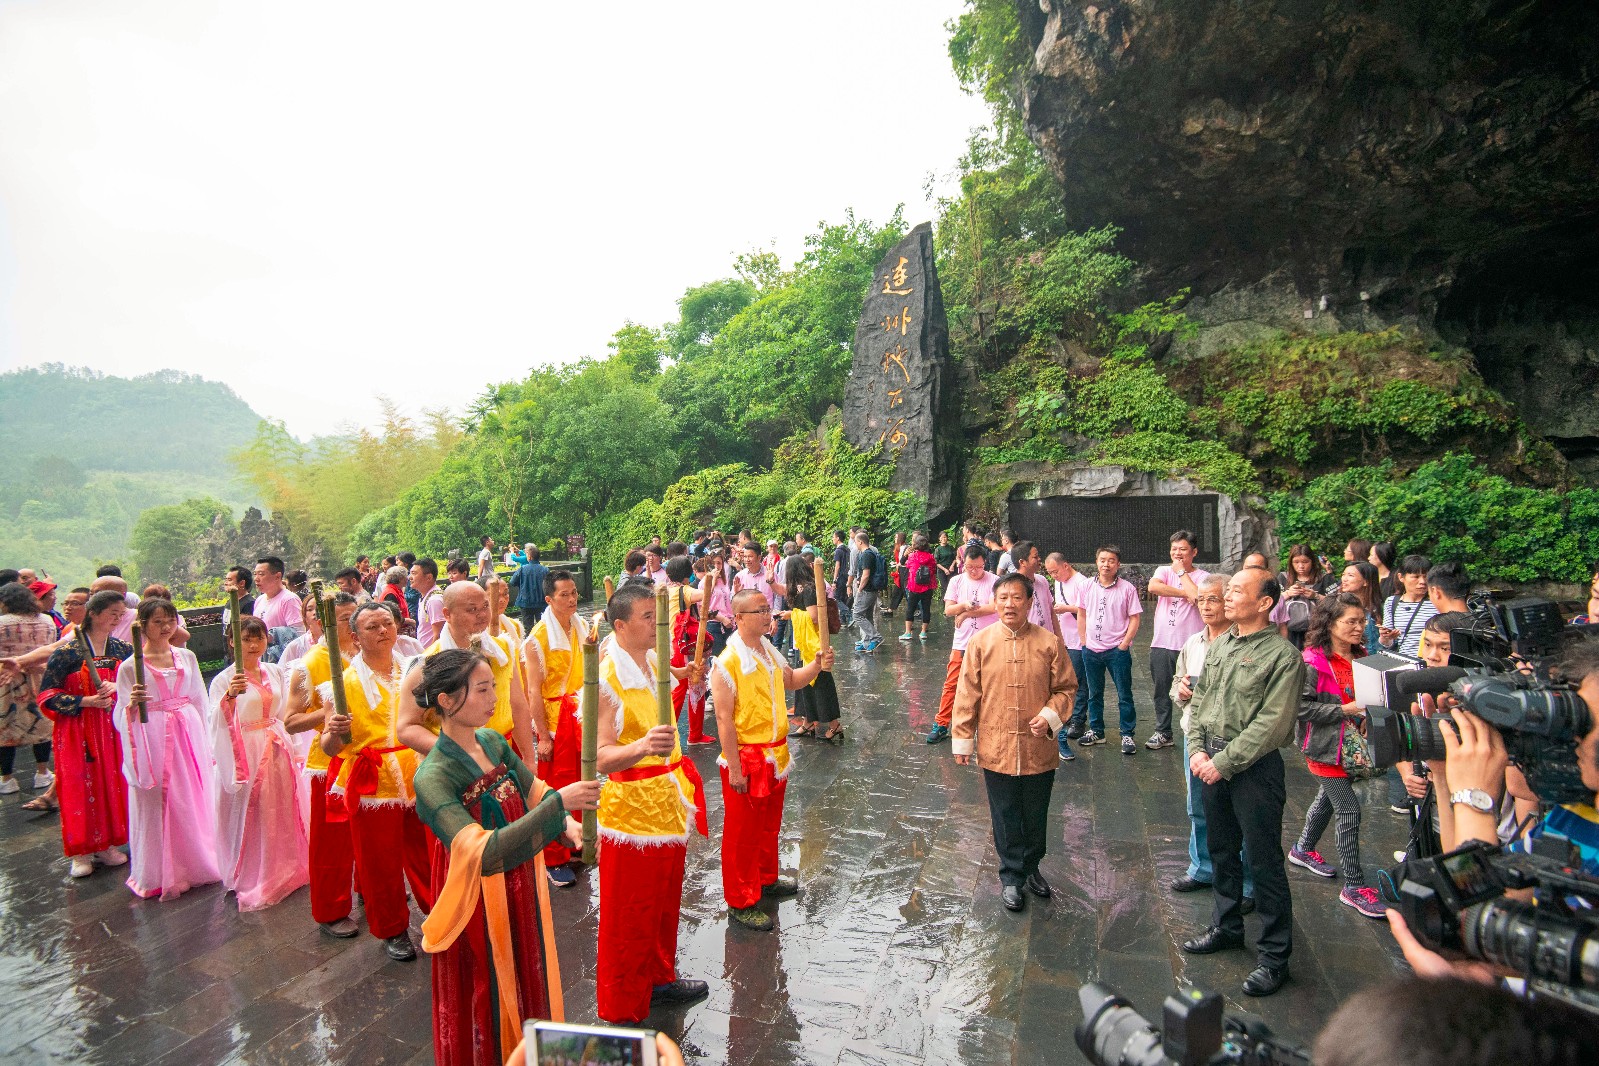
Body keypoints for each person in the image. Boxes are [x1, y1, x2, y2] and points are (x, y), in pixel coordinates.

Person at [413, 650, 597, 1066]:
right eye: (482, 689)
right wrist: (557, 809)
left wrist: (572, 829)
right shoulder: (433, 776)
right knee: (488, 988)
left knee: (529, 968)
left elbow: (535, 792)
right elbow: (482, 852)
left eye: (493, 686)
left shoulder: (493, 741)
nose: (494, 697)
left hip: (522, 883)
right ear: (445, 700)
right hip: (477, 900)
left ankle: (531, 1054)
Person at [1181, 569, 1302, 996]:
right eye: (1226, 590)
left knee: (1265, 860)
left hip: (1253, 769)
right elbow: (1200, 702)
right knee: (1221, 851)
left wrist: (1223, 761)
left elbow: (1273, 724)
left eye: (1236, 592)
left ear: (1265, 602)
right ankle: (1227, 926)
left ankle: (1274, 956)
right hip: (1209, 759)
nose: (1226, 598)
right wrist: (1196, 749)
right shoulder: (1220, 645)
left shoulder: (1283, 657)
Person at [593, 584, 711, 1022]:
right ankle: (622, 1007)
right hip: (631, 813)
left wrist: (687, 675)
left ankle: (659, 979)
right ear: (620, 625)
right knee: (630, 914)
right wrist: (642, 745)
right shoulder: (604, 682)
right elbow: (600, 757)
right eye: (647, 617)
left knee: (663, 903)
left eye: (657, 616)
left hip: (669, 801)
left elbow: (673, 677)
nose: (657, 625)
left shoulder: (654, 660)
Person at [951, 573, 1077, 912]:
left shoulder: (1049, 643)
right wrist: (963, 737)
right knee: (1004, 812)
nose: (1009, 604)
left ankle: (1032, 866)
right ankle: (1010, 877)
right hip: (996, 746)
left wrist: (1051, 716)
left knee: (1035, 812)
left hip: (1038, 747)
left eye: (1017, 597)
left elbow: (1066, 688)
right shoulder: (981, 643)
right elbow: (967, 693)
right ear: (995, 602)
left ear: (1030, 601)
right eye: (1003, 597)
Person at [709, 588, 834, 930]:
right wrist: (735, 766)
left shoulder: (766, 649)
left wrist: (817, 665)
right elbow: (723, 719)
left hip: (775, 755)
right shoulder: (728, 661)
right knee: (742, 833)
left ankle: (765, 879)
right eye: (758, 611)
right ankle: (740, 899)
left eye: (767, 609)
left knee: (768, 827)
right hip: (748, 758)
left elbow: (792, 679)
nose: (767, 615)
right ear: (739, 618)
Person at [321, 601, 438, 960]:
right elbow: (329, 748)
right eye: (372, 627)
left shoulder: (416, 672)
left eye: (388, 623)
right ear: (355, 638)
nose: (383, 631)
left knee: (428, 852)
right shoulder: (340, 685)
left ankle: (439, 914)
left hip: (417, 771)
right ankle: (393, 929)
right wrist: (335, 732)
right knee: (379, 862)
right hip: (373, 780)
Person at [1287, 594, 1386, 918]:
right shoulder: (1312, 661)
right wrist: (1344, 710)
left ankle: (1302, 849)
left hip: (1350, 744)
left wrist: (1367, 718)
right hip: (1324, 747)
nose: (1360, 628)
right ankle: (1354, 887)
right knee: (1349, 810)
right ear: (1330, 624)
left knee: (1327, 800)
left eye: (1362, 621)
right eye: (1351, 622)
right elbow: (1300, 708)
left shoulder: (1363, 656)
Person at [116, 597, 221, 899]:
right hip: (153, 733)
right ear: (143, 626)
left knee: (191, 796)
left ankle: (197, 861)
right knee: (161, 798)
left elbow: (200, 697)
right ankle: (162, 870)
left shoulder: (186, 657)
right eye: (157, 622)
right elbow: (120, 712)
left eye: (169, 621)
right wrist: (132, 706)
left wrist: (207, 740)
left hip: (187, 730)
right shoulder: (130, 667)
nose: (164, 627)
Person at [207, 616, 308, 911]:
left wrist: (295, 746)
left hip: (276, 743)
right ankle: (255, 871)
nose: (253, 645)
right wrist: (229, 699)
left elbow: (284, 711)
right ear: (232, 642)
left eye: (259, 638)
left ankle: (286, 865)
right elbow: (214, 719)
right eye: (246, 639)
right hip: (245, 749)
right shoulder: (225, 679)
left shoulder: (274, 671)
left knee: (281, 808)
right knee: (256, 810)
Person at [1168, 575, 1254, 906]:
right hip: (1196, 736)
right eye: (1201, 600)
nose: (1206, 606)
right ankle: (1202, 866)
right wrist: (1182, 689)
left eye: (1213, 599)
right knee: (1198, 806)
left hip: (1231, 741)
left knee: (1237, 813)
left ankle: (1245, 881)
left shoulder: (1243, 644)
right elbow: (1178, 681)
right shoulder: (1193, 643)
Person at [282, 591, 363, 938]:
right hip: (329, 761)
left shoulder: (365, 653)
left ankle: (370, 888)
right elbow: (290, 720)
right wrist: (329, 710)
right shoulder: (309, 664)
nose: (353, 624)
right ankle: (331, 909)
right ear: (322, 623)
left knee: (369, 836)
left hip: (368, 754)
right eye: (345, 619)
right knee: (333, 841)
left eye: (354, 616)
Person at [36, 591, 131, 877]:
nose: (117, 618)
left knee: (111, 782)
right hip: (78, 730)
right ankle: (80, 850)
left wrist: (118, 688)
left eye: (120, 613)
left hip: (111, 728)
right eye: (112, 612)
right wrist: (83, 701)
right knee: (79, 785)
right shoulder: (67, 651)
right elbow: (47, 694)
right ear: (94, 612)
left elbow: (137, 680)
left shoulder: (121, 648)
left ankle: (107, 843)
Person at [396, 580, 538, 763]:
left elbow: (518, 706)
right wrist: (458, 751)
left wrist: (528, 759)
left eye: (485, 606)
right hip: (453, 764)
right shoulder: (429, 662)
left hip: (502, 754)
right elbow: (406, 727)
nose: (482, 615)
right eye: (472, 610)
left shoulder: (503, 650)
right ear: (446, 614)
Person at [521, 570, 587, 886]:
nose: (572, 599)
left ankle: (575, 843)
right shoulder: (538, 638)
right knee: (553, 789)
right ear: (549, 599)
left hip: (577, 715)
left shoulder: (580, 625)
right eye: (565, 594)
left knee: (579, 780)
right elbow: (533, 690)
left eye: (574, 592)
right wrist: (543, 735)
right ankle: (552, 856)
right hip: (553, 719)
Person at [926, 543, 998, 745]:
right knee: (952, 684)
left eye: (978, 567)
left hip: (989, 641)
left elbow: (994, 607)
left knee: (989, 685)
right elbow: (948, 610)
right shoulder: (957, 581)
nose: (974, 571)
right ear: (962, 563)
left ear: (985, 563)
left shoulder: (995, 581)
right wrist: (963, 606)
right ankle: (941, 724)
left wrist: (966, 612)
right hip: (962, 642)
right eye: (969, 567)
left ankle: (987, 726)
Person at [1145, 531, 1208, 751]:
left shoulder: (1204, 577)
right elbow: (1154, 587)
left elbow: (1199, 597)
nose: (1177, 554)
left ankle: (1197, 734)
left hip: (1190, 646)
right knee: (1161, 689)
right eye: (1174, 549)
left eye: (1182, 549)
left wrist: (1181, 573)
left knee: (1193, 690)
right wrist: (1184, 593)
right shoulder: (1163, 570)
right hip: (1162, 642)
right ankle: (1163, 732)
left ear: (1194, 552)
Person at [1079, 545, 1143, 754]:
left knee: (1124, 693)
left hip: (1117, 650)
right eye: (1103, 560)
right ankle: (1097, 730)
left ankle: (1127, 734)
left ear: (1118, 564)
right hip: (1091, 650)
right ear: (1096, 561)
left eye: (1111, 560)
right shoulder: (1087, 586)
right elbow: (1081, 613)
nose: (1106, 564)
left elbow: (1135, 618)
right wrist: (1083, 640)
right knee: (1093, 693)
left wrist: (1124, 644)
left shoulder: (1127, 589)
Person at [0, 583, 57, 806]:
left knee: (6, 729)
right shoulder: (47, 621)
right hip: (39, 680)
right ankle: (42, 772)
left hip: (7, 682)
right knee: (41, 727)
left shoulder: (2, 623)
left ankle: (7, 778)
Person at [786, 559, 843, 741]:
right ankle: (807, 722)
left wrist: (791, 614)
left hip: (814, 644)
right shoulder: (803, 589)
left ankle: (835, 725)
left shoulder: (809, 589)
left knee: (821, 684)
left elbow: (813, 617)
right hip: (804, 643)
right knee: (803, 683)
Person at [1045, 552, 1090, 758]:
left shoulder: (1082, 582)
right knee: (1066, 680)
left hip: (1079, 640)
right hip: (1065, 639)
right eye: (1050, 573)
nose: (1053, 576)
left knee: (1078, 681)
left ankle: (1078, 720)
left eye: (1055, 571)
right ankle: (1071, 715)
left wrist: (1065, 608)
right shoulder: (1060, 582)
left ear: (1066, 565)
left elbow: (1087, 609)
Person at [1379, 554, 1437, 657]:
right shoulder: (1392, 602)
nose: (1422, 582)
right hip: (1404, 661)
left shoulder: (1436, 602)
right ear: (1401, 577)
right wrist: (1386, 637)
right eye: (1416, 577)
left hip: (1430, 661)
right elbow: (1388, 644)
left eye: (1426, 577)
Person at [1278, 544, 1330, 649]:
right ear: (1291, 562)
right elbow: (1272, 600)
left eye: (1305, 562)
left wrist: (1315, 595)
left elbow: (1336, 602)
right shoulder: (1283, 577)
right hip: (1288, 629)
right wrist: (1288, 593)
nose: (1301, 566)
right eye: (1296, 562)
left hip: (1318, 628)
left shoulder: (1323, 578)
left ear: (1312, 561)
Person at [899, 533, 938, 642]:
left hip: (914, 586)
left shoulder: (912, 556)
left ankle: (908, 633)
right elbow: (934, 570)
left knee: (910, 608)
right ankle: (924, 632)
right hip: (928, 586)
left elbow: (905, 565)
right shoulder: (931, 557)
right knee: (926, 608)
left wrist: (906, 555)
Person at [1337, 560, 1383, 651]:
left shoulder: (1380, 609)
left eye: (1350, 575)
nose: (1344, 579)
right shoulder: (1338, 607)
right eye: (1343, 575)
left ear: (1366, 582)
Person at [850, 532, 883, 653]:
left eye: (856, 542)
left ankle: (875, 637)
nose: (855, 544)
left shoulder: (866, 555)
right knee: (867, 616)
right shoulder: (872, 553)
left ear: (860, 542)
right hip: (872, 590)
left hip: (867, 590)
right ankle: (867, 642)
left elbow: (866, 575)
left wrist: (859, 589)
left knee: (857, 614)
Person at [509, 545, 549, 631]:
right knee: (542, 627)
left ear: (529, 557)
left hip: (525, 602)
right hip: (541, 602)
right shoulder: (545, 570)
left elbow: (512, 582)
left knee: (528, 628)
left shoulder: (522, 569)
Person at [410, 558, 447, 646]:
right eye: (410, 573)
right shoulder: (425, 596)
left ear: (429, 577)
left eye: (414, 573)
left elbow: (439, 635)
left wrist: (430, 657)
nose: (410, 577)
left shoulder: (434, 600)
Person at [830, 530, 853, 627]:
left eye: (833, 537)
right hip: (847, 575)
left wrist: (834, 580)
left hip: (841, 576)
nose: (832, 539)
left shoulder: (838, 551)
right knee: (843, 598)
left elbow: (837, 566)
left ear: (838, 538)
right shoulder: (847, 549)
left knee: (836, 598)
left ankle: (849, 614)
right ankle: (844, 621)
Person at [883, 532, 908, 617]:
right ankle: (891, 609)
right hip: (899, 571)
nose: (895, 539)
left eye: (896, 537)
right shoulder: (898, 548)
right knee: (898, 591)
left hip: (903, 571)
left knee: (902, 590)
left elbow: (902, 561)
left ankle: (917, 609)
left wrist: (898, 564)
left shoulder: (903, 548)